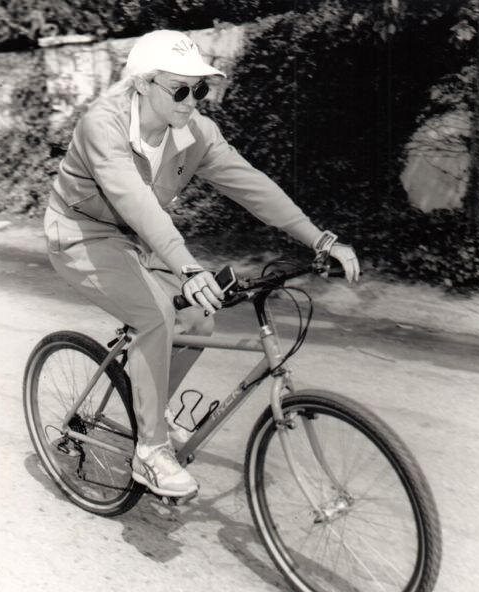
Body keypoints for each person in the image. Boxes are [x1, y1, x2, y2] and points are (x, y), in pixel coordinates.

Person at [44, 30, 359, 499]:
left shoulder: (195, 134)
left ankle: (146, 411)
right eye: (181, 89)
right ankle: (150, 453)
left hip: (143, 238)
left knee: (199, 320)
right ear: (143, 84)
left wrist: (319, 238)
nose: (193, 101)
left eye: (201, 89)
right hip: (81, 234)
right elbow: (134, 201)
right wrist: (189, 269)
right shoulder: (102, 125)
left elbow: (252, 186)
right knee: (156, 316)